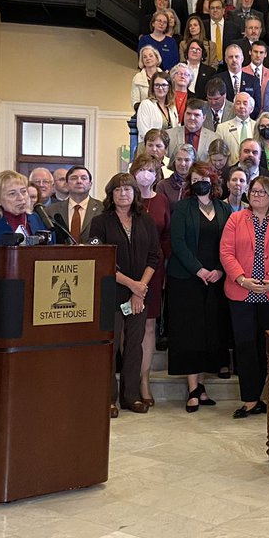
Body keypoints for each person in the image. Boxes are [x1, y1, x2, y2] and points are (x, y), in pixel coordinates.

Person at [220, 176, 269, 418]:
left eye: (262, 192)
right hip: (241, 293)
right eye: (253, 191)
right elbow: (226, 252)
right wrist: (241, 279)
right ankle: (250, 399)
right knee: (244, 346)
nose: (256, 195)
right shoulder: (236, 218)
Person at [86, 173, 161, 415]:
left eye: (127, 189)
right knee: (111, 344)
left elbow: (154, 256)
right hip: (111, 291)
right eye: (117, 190)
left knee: (134, 345)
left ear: (135, 193)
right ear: (111, 194)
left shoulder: (146, 221)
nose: (123, 193)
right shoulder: (100, 222)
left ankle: (131, 396)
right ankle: (108, 398)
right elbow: (102, 259)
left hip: (140, 293)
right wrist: (132, 285)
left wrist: (140, 290)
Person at [167, 162, 230, 412]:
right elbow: (178, 242)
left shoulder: (224, 208)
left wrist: (219, 269)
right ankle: (192, 388)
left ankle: (202, 386)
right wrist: (199, 270)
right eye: (194, 179)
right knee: (189, 333)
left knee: (208, 333)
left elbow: (229, 243)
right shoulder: (182, 208)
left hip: (215, 279)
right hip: (186, 279)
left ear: (213, 180)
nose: (198, 182)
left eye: (203, 178)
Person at [131, 156, 170, 404]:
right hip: (128, 269)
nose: (146, 174)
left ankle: (144, 378)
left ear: (157, 174)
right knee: (128, 325)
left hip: (154, 270)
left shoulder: (162, 201)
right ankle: (129, 376)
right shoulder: (125, 198)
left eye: (151, 170)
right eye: (141, 170)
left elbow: (166, 236)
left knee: (148, 325)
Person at [52, 165, 103, 243]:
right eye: (74, 178)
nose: (79, 181)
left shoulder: (103, 209)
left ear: (90, 184)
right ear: (66, 184)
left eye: (83, 178)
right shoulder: (52, 211)